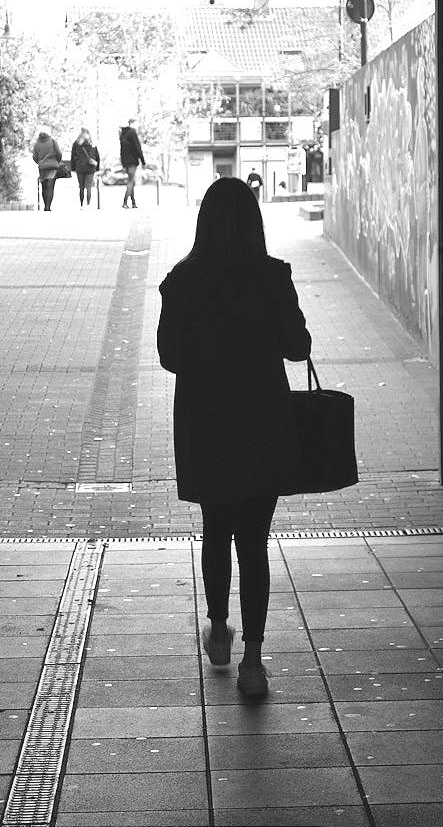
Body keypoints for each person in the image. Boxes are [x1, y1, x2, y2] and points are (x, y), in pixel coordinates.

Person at [156, 176, 312, 699]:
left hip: (206, 423)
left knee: (216, 528)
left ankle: (220, 629)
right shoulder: (272, 276)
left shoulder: (183, 280)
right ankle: (253, 662)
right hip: (262, 420)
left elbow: (169, 356)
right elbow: (296, 347)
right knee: (255, 542)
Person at [31, 130, 63, 211]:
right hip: (53, 167)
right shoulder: (53, 141)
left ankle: (46, 205)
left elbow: (34, 156)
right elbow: (59, 154)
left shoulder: (37, 144)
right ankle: (48, 206)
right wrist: (57, 161)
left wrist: (39, 162)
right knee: (50, 187)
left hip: (42, 168)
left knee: (44, 187)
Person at [118, 118, 145, 209]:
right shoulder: (132, 133)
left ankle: (133, 202)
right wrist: (143, 160)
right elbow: (137, 148)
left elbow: (121, 150)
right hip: (132, 161)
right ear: (132, 123)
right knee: (131, 181)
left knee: (131, 181)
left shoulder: (122, 134)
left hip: (125, 161)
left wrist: (123, 162)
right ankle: (125, 202)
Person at [71, 128, 100, 208]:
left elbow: (73, 156)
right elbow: (97, 157)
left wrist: (73, 168)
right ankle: (88, 204)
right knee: (89, 186)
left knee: (81, 187)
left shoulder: (76, 144)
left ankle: (81, 204)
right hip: (91, 168)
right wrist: (97, 168)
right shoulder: (92, 143)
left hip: (80, 168)